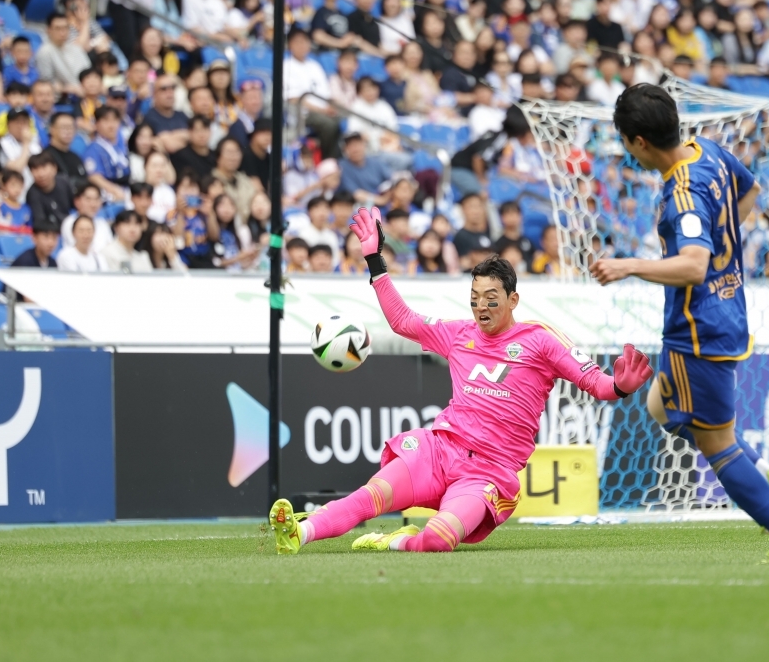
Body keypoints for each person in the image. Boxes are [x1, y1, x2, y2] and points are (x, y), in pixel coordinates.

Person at [267, 212, 654, 554]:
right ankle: (298, 533)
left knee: (437, 540)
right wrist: (374, 258)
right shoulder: (459, 334)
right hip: (438, 451)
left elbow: (596, 384)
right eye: (474, 298)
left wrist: (619, 385)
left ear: (513, 299)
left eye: (490, 298)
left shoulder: (541, 340)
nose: (481, 307)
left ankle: (392, 541)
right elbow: (404, 321)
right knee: (371, 495)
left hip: (488, 471)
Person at [589, 84, 769, 564]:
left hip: (698, 329)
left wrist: (629, 265)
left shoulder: (683, 192)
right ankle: (767, 475)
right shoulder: (707, 151)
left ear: (637, 142)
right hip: (724, 312)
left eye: (625, 142)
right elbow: (751, 190)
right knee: (658, 404)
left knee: (719, 448)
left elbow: (693, 265)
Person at [283, 27, 340, 159]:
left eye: (305, 42)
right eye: (297, 42)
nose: (302, 45)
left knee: (347, 118)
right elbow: (294, 98)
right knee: (329, 125)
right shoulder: (286, 65)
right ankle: (328, 160)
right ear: (290, 45)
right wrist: (322, 110)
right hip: (302, 113)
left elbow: (326, 94)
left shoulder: (315, 65)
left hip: (323, 109)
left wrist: (331, 106)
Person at [82, 106, 130, 202]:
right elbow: (94, 177)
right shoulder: (93, 149)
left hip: (125, 186)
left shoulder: (120, 146)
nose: (111, 125)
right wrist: (116, 190)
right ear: (96, 124)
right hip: (107, 194)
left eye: (115, 120)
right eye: (106, 121)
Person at [37, 12, 90, 97]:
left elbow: (89, 72)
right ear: (48, 30)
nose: (62, 32)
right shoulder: (44, 52)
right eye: (58, 28)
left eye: (65, 28)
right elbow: (47, 84)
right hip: (65, 98)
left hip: (87, 92)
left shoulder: (76, 49)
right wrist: (68, 89)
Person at [338, 132, 392, 205]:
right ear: (345, 149)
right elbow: (355, 193)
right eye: (351, 146)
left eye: (357, 144)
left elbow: (392, 178)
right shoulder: (342, 166)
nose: (355, 149)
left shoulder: (375, 162)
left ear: (364, 145)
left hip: (384, 201)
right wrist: (381, 200)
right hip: (359, 206)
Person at [26, 152, 74, 230]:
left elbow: (76, 204)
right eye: (35, 169)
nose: (41, 174)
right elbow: (40, 223)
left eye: (44, 167)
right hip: (51, 233)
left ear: (54, 168)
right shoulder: (32, 194)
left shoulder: (64, 181)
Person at [61, 180, 113, 251]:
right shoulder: (69, 222)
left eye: (96, 199)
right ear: (77, 201)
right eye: (88, 199)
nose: (93, 204)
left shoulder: (103, 224)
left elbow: (110, 249)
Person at [47, 112, 87, 190]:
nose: (68, 131)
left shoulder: (75, 157)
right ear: (52, 129)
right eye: (64, 127)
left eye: (71, 127)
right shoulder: (46, 157)